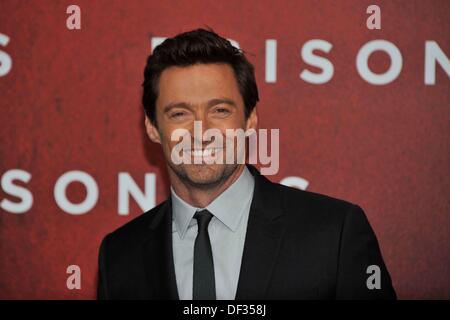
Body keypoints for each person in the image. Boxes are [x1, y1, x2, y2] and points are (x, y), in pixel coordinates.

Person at [97, 28, 396, 300]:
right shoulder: (119, 255)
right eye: (179, 114)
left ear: (250, 118)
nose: (201, 132)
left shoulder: (334, 233)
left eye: (220, 110)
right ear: (151, 126)